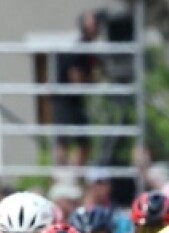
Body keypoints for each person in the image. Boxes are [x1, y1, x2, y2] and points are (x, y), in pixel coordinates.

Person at [53, 12, 99, 167]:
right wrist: (92, 80)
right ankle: (61, 177)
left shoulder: (88, 49)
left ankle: (73, 175)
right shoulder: (80, 49)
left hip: (75, 101)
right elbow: (76, 78)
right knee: (63, 141)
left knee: (84, 143)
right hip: (63, 100)